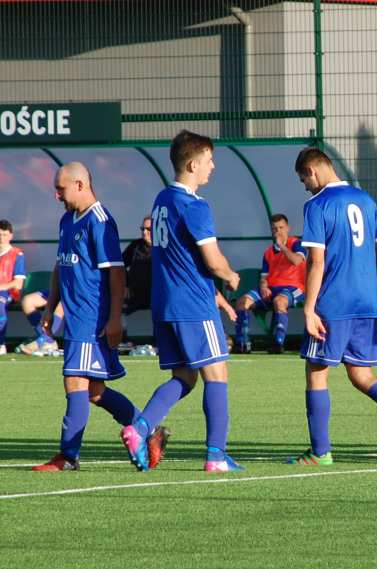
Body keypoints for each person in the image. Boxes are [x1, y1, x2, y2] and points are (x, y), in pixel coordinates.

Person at [288, 147, 377, 466]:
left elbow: (316, 262)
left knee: (316, 373)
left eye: (303, 180)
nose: (305, 187)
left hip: (334, 303)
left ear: (312, 171)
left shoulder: (317, 205)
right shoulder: (366, 200)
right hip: (366, 301)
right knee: (361, 374)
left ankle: (320, 452)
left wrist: (309, 309)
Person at [120, 129, 244, 473]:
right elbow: (213, 260)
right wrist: (231, 275)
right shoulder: (195, 206)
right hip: (193, 303)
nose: (213, 167)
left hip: (166, 305)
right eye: (208, 160)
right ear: (192, 164)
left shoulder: (162, 200)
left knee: (184, 377)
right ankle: (216, 456)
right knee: (217, 374)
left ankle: (140, 427)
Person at [32, 162, 168, 472]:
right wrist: (50, 306)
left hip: (92, 318)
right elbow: (60, 266)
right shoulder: (68, 220)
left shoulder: (100, 221)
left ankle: (68, 456)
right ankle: (146, 430)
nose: (56, 195)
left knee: (75, 382)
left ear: (80, 185)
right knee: (93, 391)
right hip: (75, 318)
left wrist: (115, 318)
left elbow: (116, 274)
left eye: (60, 188)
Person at [233, 214, 306, 354]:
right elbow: (264, 277)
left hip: (295, 288)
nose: (278, 231)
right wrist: (264, 286)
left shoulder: (296, 243)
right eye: (274, 229)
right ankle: (242, 343)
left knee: (280, 301)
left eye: (281, 227)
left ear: (288, 228)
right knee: (242, 302)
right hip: (271, 288)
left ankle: (278, 343)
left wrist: (282, 247)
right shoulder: (268, 252)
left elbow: (297, 261)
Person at [0, 219, 26, 355]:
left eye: (4, 234)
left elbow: (18, 283)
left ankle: (1, 344)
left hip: (10, 293)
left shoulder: (17, 254)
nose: (1, 238)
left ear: (11, 236)